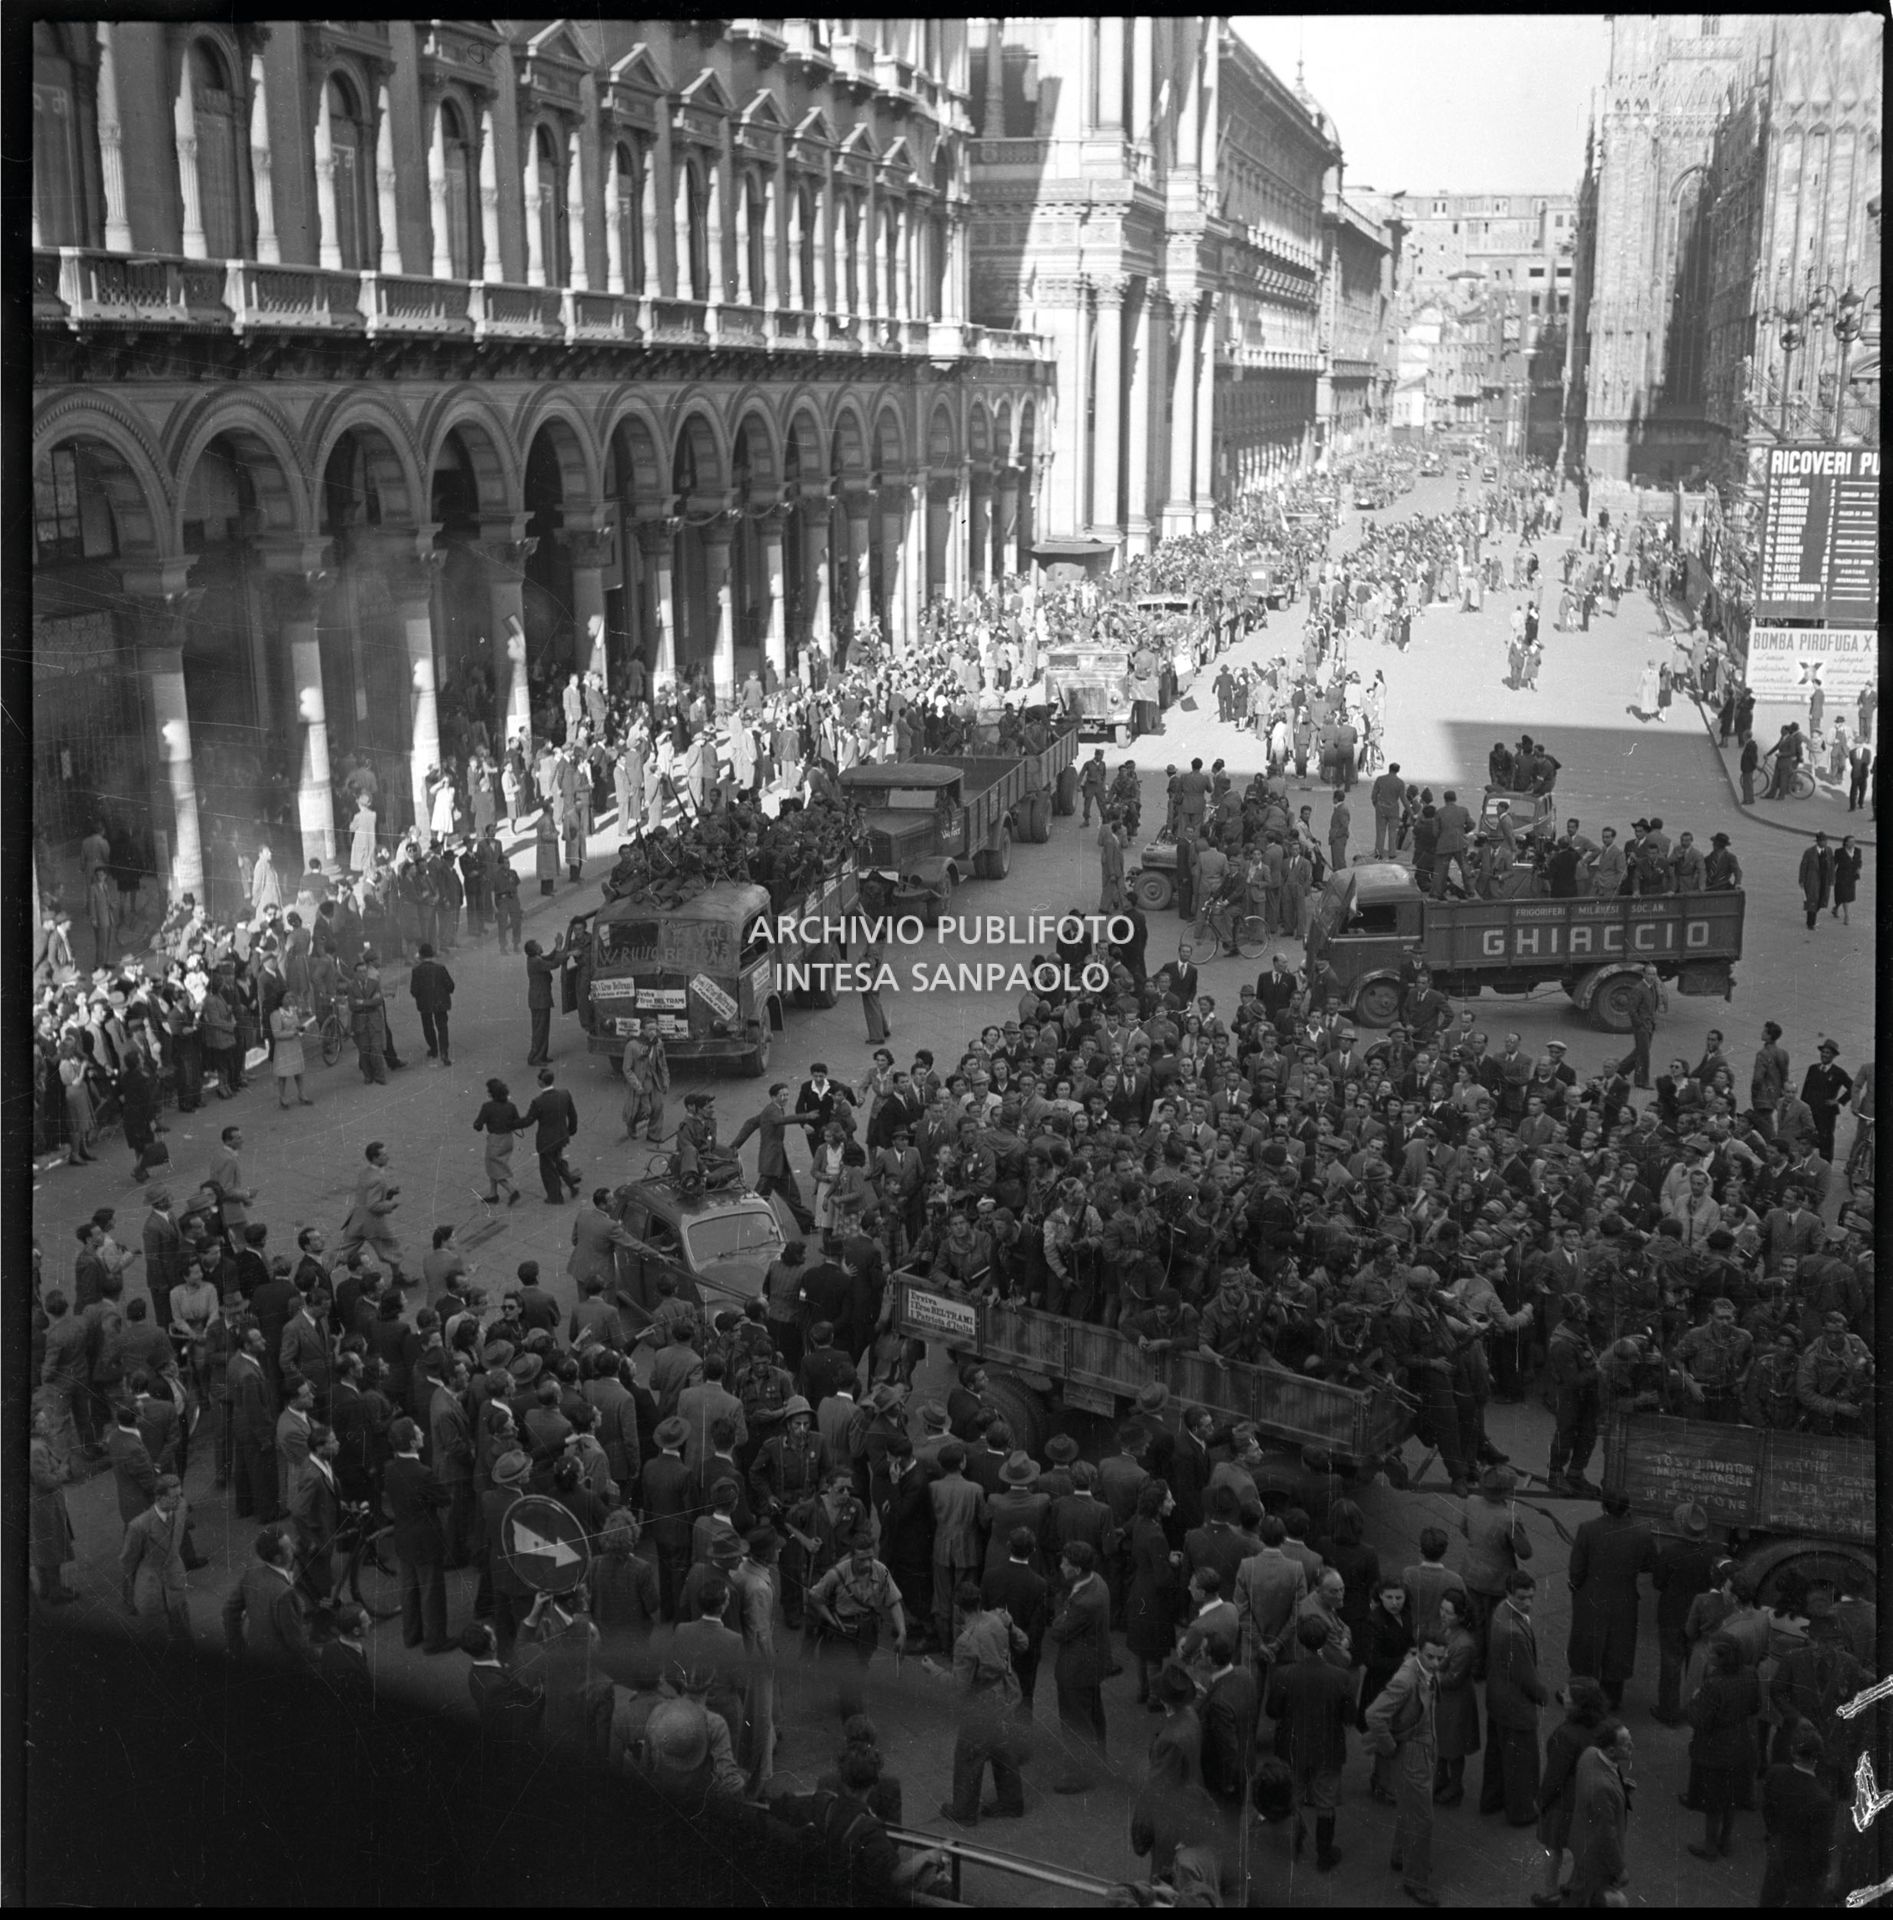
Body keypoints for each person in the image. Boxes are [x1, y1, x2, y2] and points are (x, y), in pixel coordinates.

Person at [1363, 1631, 1445, 1906]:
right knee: (1422, 1818)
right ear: (1419, 1651)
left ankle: (1401, 1855)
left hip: (1423, 1746)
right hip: (1412, 1751)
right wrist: (1389, 1748)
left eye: (1440, 1658)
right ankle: (1416, 1881)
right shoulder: (1406, 1679)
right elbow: (1374, 1715)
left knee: (1411, 1808)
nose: (1435, 1663)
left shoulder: (1420, 1671)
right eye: (1430, 1656)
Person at [1268, 1613, 1354, 1872]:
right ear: (1325, 1641)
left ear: (1299, 1641)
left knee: (1291, 1799)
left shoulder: (1283, 1674)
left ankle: (1291, 1849)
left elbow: (1273, 1711)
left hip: (1291, 1748)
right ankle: (1324, 1854)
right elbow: (1349, 1716)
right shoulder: (1340, 1676)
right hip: (1328, 1749)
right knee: (1325, 1803)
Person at [938, 1581, 1028, 1826]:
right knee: (1004, 1749)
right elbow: (1022, 1643)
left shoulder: (966, 1641)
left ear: (958, 1608)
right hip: (1005, 1693)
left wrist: (934, 1671)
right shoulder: (996, 1619)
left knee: (968, 1755)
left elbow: (960, 1686)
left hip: (981, 1702)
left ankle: (964, 1811)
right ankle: (1011, 1802)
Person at [1564, 1492, 1655, 1711]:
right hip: (1624, 1599)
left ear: (1603, 1507)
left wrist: (1577, 1589)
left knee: (1586, 1649)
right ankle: (1611, 1698)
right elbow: (1649, 1564)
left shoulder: (1587, 1529)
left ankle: (1580, 1696)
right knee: (1618, 1650)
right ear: (1627, 1508)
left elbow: (1576, 1570)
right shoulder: (1642, 1533)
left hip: (1591, 1597)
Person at [1482, 1569, 1548, 1826]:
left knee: (1498, 1755)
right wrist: (1542, 1696)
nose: (1528, 1603)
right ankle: (1521, 1812)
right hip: (1515, 1705)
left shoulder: (1502, 1611)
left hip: (1498, 1698)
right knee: (1522, 1762)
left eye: (1531, 1597)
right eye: (1522, 1597)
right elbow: (1526, 1676)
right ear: (1510, 1594)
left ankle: (1492, 1800)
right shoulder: (1514, 1632)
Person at [1685, 1634, 1759, 1861]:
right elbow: (1755, 1707)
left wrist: (1694, 1700)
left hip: (1713, 1748)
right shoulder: (1750, 1674)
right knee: (1731, 1798)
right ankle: (1725, 1842)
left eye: (1712, 1652)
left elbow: (1699, 1720)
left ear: (1721, 1657)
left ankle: (1709, 1846)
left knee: (1712, 1801)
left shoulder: (1713, 1684)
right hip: (1741, 1743)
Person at [1047, 1539, 1113, 1793]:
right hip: (1093, 1663)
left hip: (1076, 1669)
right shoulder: (1096, 1582)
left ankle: (1080, 1776)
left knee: (1075, 1723)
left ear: (1076, 1568)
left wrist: (1059, 1608)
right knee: (1093, 1716)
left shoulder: (1083, 1602)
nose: (1061, 1565)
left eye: (1065, 1562)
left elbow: (1058, 1631)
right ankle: (1098, 1763)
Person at [384, 1415, 452, 1654]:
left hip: (403, 1536)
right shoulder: (423, 1473)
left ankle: (411, 1635)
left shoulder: (390, 1468)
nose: (423, 1433)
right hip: (426, 1538)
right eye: (418, 1432)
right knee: (431, 1591)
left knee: (409, 1588)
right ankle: (435, 1640)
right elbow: (445, 1498)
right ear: (412, 1443)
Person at [1760, 1721, 1839, 1907]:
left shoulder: (1774, 1774)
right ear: (1816, 1758)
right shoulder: (1821, 1799)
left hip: (1778, 1851)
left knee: (1770, 1898)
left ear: (1793, 1751)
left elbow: (1767, 1811)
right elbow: (1820, 1848)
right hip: (1802, 1869)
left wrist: (1774, 1836)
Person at [1563, 1720, 1634, 1907]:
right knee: (1589, 1898)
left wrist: (1620, 1787)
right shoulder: (1603, 1788)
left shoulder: (1590, 1754)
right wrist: (1619, 1870)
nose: (1632, 1746)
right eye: (1626, 1744)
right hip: (1597, 1860)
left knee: (1579, 1889)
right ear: (1611, 1751)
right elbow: (1606, 1834)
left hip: (1582, 1843)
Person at [521, 1067, 581, 1206]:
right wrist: (571, 1130)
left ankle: (555, 1197)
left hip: (546, 1140)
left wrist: (512, 1124)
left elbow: (528, 1121)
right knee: (558, 1161)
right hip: (561, 1136)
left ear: (541, 1082)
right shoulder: (564, 1094)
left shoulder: (538, 1102)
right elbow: (573, 1115)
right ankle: (571, 1185)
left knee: (548, 1169)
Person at [473, 1078, 525, 1207]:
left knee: (494, 1167)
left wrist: (477, 1125)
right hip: (508, 1139)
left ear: (491, 1093)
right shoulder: (511, 1106)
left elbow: (478, 1125)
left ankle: (511, 1191)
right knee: (495, 1166)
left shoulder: (487, 1107)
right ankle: (493, 1194)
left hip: (495, 1140)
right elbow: (517, 1122)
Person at [1612, 964, 1662, 1090]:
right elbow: (1632, 1009)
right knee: (1644, 1054)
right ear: (1644, 974)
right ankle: (1642, 1081)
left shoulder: (1652, 987)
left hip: (1649, 1024)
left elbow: (1653, 1004)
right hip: (1642, 1026)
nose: (1652, 977)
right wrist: (1639, 1024)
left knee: (1640, 1050)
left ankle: (1621, 1070)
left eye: (1654, 974)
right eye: (1650, 974)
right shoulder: (1639, 989)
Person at [409, 943, 456, 1066]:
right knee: (442, 1027)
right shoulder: (440, 968)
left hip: (425, 1004)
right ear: (432, 954)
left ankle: (433, 1049)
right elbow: (450, 985)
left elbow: (414, 990)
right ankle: (444, 1052)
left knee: (428, 1026)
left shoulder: (416, 971)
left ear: (421, 955)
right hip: (441, 1002)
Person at [523, 936, 564, 1065]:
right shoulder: (536, 962)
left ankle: (541, 1055)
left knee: (542, 1029)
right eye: (538, 945)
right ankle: (535, 1057)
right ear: (534, 950)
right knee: (540, 1030)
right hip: (539, 1000)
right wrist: (558, 947)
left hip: (539, 999)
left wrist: (557, 948)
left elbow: (549, 957)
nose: (541, 946)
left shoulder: (535, 959)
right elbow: (554, 964)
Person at [1799, 833, 1834, 930]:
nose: (1825, 843)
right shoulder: (1809, 852)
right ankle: (1810, 923)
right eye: (1823, 841)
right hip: (1812, 880)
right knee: (1812, 900)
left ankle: (1812, 916)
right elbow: (1803, 866)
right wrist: (1802, 880)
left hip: (1824, 880)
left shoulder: (1829, 850)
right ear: (1818, 842)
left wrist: (1832, 879)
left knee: (1821, 899)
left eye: (1826, 841)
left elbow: (1831, 865)